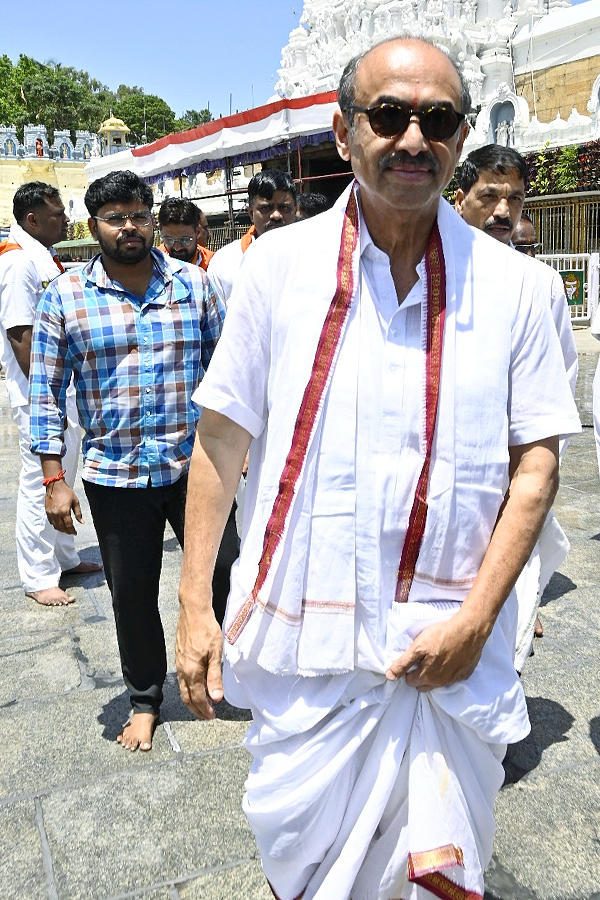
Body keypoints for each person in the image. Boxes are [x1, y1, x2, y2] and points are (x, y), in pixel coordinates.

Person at [176, 37, 580, 900]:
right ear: (341, 130)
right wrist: (193, 606)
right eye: (388, 116)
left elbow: (536, 467)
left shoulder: (521, 290)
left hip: (449, 651)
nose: (411, 139)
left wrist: (478, 620)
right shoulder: (274, 271)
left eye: (436, 120)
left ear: (461, 138)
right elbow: (221, 437)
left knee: (435, 872)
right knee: (307, 863)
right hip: (308, 643)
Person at [29, 170, 224, 752]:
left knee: (224, 574)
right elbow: (45, 392)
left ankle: (226, 671)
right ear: (95, 226)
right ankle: (145, 699)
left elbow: (228, 373)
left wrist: (240, 453)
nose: (130, 226)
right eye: (116, 217)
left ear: (152, 218)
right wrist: (53, 479)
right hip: (115, 474)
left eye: (139, 214)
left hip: (196, 469)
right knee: (132, 595)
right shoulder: (64, 297)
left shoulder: (193, 285)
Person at [455, 145, 577, 665]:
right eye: (489, 196)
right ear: (460, 198)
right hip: (442, 475)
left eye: (515, 199)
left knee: (507, 612)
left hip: (510, 476)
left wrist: (531, 469)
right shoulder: (429, 267)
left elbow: (560, 383)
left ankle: (496, 726)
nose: (503, 211)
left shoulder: (542, 285)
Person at [0, 182, 101, 607]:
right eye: (58, 214)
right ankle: (39, 574)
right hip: (40, 394)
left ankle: (63, 556)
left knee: (64, 474)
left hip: (60, 391)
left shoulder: (42, 258)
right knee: (40, 480)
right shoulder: (19, 262)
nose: (65, 220)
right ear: (32, 220)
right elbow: (21, 334)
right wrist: (49, 397)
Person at [207, 169, 297, 305]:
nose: (276, 216)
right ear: (250, 213)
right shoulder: (224, 262)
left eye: (284, 208)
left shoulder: (314, 257)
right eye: (266, 208)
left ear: (295, 211)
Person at [157, 197, 214, 271]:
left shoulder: (212, 264)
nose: (177, 248)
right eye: (169, 240)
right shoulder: (153, 263)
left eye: (184, 240)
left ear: (197, 232)